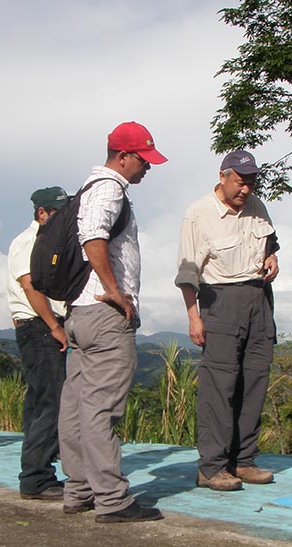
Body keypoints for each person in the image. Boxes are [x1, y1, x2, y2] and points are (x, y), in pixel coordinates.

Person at [58, 121, 167, 523]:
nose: (147, 168)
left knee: (76, 404)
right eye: (143, 159)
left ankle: (79, 489)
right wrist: (115, 290)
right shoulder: (108, 189)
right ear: (123, 156)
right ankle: (112, 499)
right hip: (104, 315)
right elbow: (93, 236)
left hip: (79, 314)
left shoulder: (86, 189)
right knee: (101, 408)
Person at [174, 150, 280, 491]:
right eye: (239, 182)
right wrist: (194, 317)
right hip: (219, 301)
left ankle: (243, 460)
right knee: (219, 387)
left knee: (254, 382)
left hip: (259, 299)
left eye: (250, 183)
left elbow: (269, 243)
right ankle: (211, 467)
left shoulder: (257, 206)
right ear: (223, 176)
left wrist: (273, 257)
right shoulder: (199, 214)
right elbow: (188, 272)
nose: (245, 189)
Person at [7, 186, 70, 501]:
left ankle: (38, 471)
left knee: (40, 402)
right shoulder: (27, 242)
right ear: (41, 213)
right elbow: (30, 287)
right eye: (57, 211)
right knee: (50, 402)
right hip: (39, 327)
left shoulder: (46, 242)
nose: (62, 216)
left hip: (42, 327)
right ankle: (36, 477)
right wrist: (54, 326)